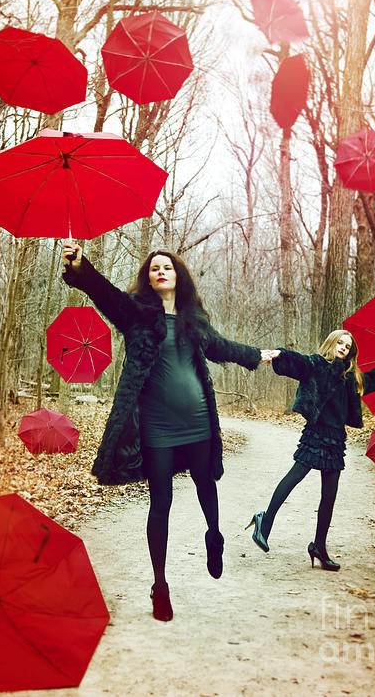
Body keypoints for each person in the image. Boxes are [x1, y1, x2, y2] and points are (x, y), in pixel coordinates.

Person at [62, 243, 275, 622]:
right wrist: (80, 267)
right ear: (148, 278)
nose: (161, 271)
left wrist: (256, 354)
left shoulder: (194, 319)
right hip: (156, 426)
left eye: (167, 267)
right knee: (160, 502)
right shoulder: (136, 314)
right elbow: (105, 293)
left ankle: (214, 535)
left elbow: (220, 347)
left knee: (206, 483)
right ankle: (159, 585)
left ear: (178, 276)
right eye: (154, 268)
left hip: (198, 421)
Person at [247, 330, 375, 571]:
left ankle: (319, 547)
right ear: (332, 343)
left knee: (329, 496)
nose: (343, 348)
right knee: (294, 477)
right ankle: (265, 521)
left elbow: (365, 382)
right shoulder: (317, 364)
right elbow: (299, 362)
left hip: (336, 440)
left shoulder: (349, 375)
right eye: (340, 343)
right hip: (316, 433)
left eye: (347, 346)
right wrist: (278, 354)